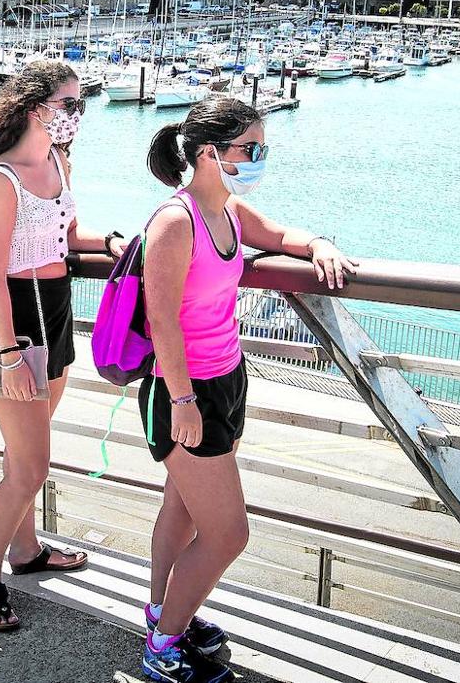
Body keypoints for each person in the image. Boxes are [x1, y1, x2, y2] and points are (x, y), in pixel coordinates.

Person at [138, 98, 357, 682]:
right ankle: (161, 647)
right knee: (229, 532)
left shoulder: (230, 211)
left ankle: (167, 613)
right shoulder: (174, 222)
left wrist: (319, 246)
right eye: (250, 149)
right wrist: (182, 400)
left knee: (182, 508)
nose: (259, 158)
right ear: (209, 153)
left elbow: (283, 235)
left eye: (262, 148)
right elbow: (161, 321)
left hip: (228, 378)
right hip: (182, 391)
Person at [0, 60, 127, 631]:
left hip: (55, 311)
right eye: (68, 105)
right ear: (35, 108)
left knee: (22, 458)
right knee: (30, 468)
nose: (76, 115)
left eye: (80, 105)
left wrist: (115, 239)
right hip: (16, 323)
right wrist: (7, 355)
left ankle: (26, 552)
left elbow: (66, 234)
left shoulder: (59, 162)